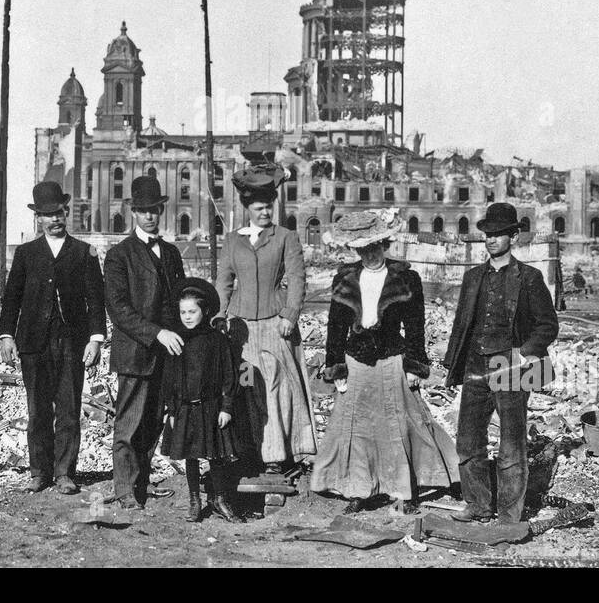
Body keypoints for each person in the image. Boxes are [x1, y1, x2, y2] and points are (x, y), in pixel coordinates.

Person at [310, 210, 459, 514]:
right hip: (357, 361)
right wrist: (336, 367)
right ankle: (358, 488)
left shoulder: (405, 278)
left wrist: (415, 365)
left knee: (398, 424)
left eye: (374, 247)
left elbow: (416, 325)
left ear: (385, 244)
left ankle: (401, 489)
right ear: (356, 250)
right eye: (363, 249)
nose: (370, 255)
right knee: (357, 427)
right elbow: (335, 326)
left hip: (392, 358)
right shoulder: (345, 278)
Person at [443, 202, 559, 524]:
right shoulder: (472, 278)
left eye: (499, 234)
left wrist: (525, 353)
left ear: (514, 236)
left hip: (511, 368)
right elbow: (461, 325)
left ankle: (509, 515)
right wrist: (452, 364)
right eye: (488, 234)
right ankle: (478, 505)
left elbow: (548, 324)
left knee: (511, 445)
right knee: (467, 442)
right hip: (475, 367)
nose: (491, 239)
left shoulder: (530, 278)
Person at [0, 181, 105, 495]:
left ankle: (64, 473)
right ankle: (39, 472)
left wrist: (95, 339)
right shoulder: (26, 254)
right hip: (33, 342)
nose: (55, 219)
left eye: (59, 212)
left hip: (72, 341)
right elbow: (11, 298)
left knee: (69, 409)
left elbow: (96, 300)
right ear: (38, 218)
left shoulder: (84, 252)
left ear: (66, 212)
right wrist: (6, 335)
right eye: (47, 215)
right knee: (38, 410)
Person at [214, 163, 316, 474]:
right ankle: (248, 452)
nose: (265, 213)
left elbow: (298, 279)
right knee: (245, 386)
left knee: (277, 386)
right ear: (247, 208)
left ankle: (277, 455)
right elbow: (223, 282)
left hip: (275, 323)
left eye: (268, 207)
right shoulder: (232, 240)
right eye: (259, 208)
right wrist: (220, 315)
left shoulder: (286, 237)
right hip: (240, 328)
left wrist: (290, 314)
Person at [102, 175, 187, 509]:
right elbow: (119, 309)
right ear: (133, 212)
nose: (150, 216)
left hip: (167, 355)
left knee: (153, 423)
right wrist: (157, 334)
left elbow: (180, 299)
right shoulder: (119, 255)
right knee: (129, 424)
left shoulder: (171, 253)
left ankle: (142, 482)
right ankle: (124, 489)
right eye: (143, 210)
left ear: (161, 210)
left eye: (155, 210)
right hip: (136, 353)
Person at [161, 278, 246, 523]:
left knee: (216, 455)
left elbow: (230, 375)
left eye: (193, 311)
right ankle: (194, 500)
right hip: (186, 408)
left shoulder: (218, 341)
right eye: (183, 312)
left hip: (211, 407)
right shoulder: (177, 340)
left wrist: (227, 407)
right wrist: (173, 411)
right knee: (191, 455)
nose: (187, 317)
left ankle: (219, 499)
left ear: (205, 311)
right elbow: (170, 379)